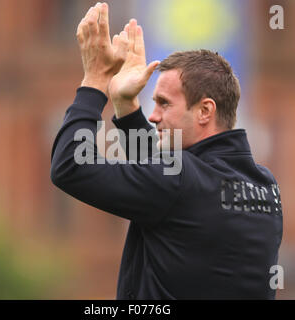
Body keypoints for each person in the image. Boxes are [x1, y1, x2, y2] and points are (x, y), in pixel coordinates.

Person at [50, 3, 283, 299]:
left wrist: (95, 81)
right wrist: (126, 106)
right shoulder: (264, 185)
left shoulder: (179, 181)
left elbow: (70, 166)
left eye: (164, 103)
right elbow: (175, 180)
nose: (154, 115)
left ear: (204, 111)